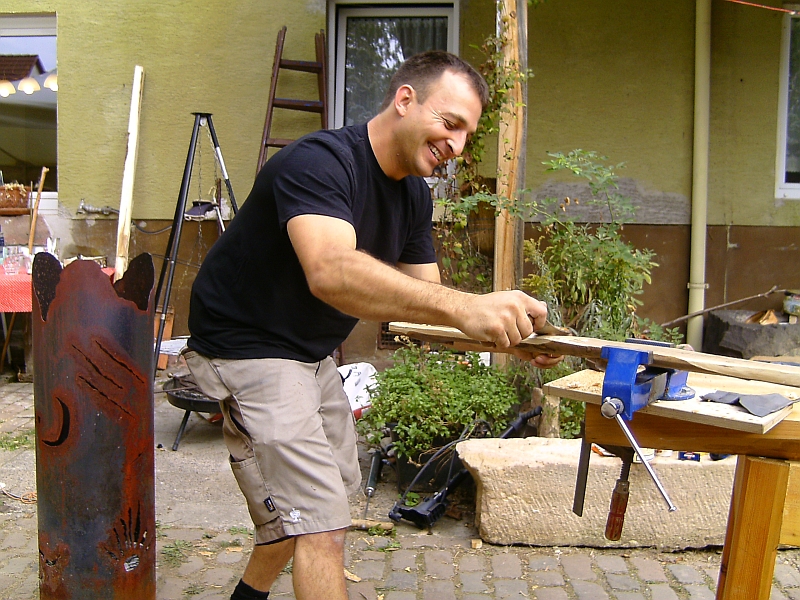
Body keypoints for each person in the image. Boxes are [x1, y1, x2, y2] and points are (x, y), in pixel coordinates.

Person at [183, 50, 562, 600]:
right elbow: (330, 271)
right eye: (450, 123)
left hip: (309, 353)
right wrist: (466, 306)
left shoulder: (412, 195)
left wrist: (509, 338)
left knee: (322, 504)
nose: (457, 146)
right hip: (247, 348)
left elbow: (428, 305)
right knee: (318, 522)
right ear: (405, 100)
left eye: (466, 135)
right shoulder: (320, 162)